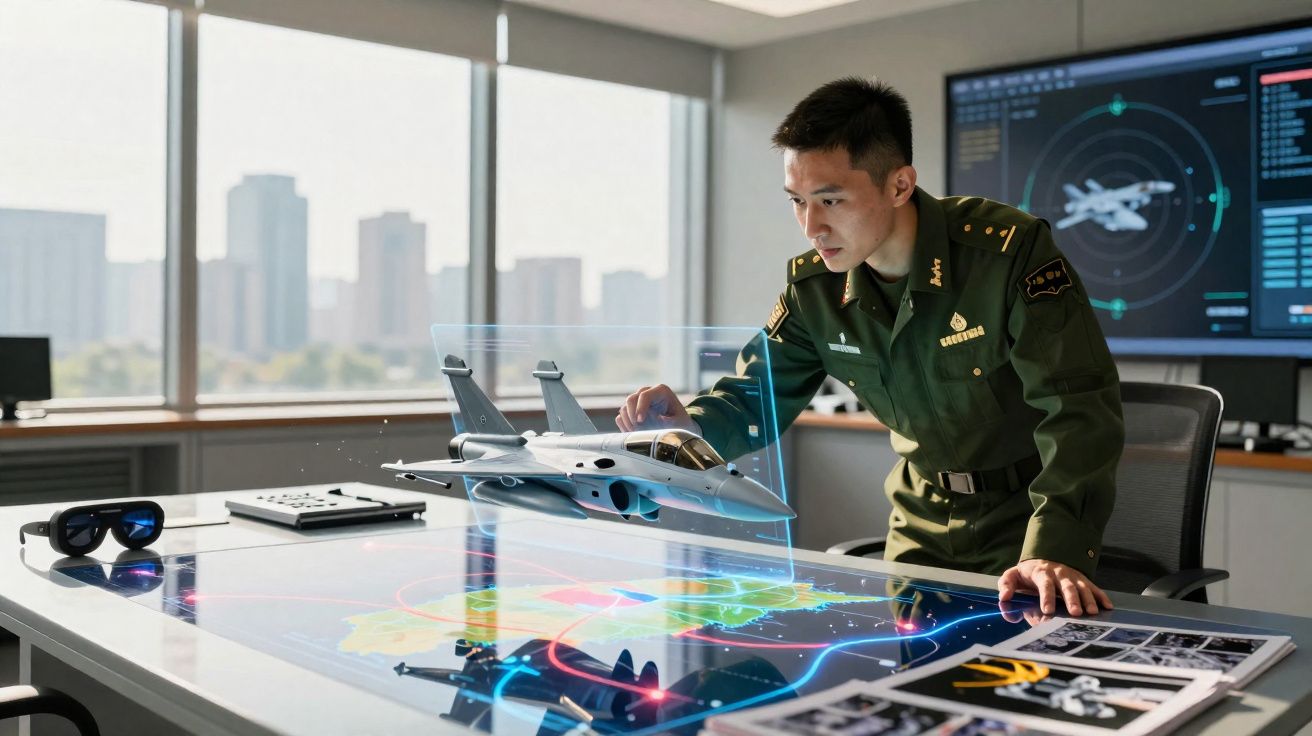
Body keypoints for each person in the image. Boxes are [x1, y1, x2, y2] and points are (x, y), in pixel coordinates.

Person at [617, 77, 1124, 618]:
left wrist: (1054, 550)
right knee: (913, 691)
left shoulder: (1005, 255)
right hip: (919, 524)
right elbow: (754, 396)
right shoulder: (815, 290)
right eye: (798, 202)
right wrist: (689, 427)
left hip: (1026, 524)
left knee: (1022, 687)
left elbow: (1078, 409)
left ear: (900, 185)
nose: (811, 226)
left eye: (830, 200)